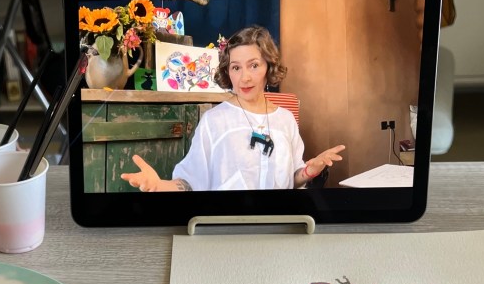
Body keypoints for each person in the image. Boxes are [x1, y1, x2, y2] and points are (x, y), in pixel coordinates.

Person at [121, 25, 345, 192]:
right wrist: (159, 185)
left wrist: (309, 171)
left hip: (278, 224)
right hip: (229, 226)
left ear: (268, 67)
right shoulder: (214, 121)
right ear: (228, 72)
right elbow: (190, 182)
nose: (244, 77)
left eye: (254, 65)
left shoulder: (285, 120)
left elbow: (291, 180)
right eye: (236, 67)